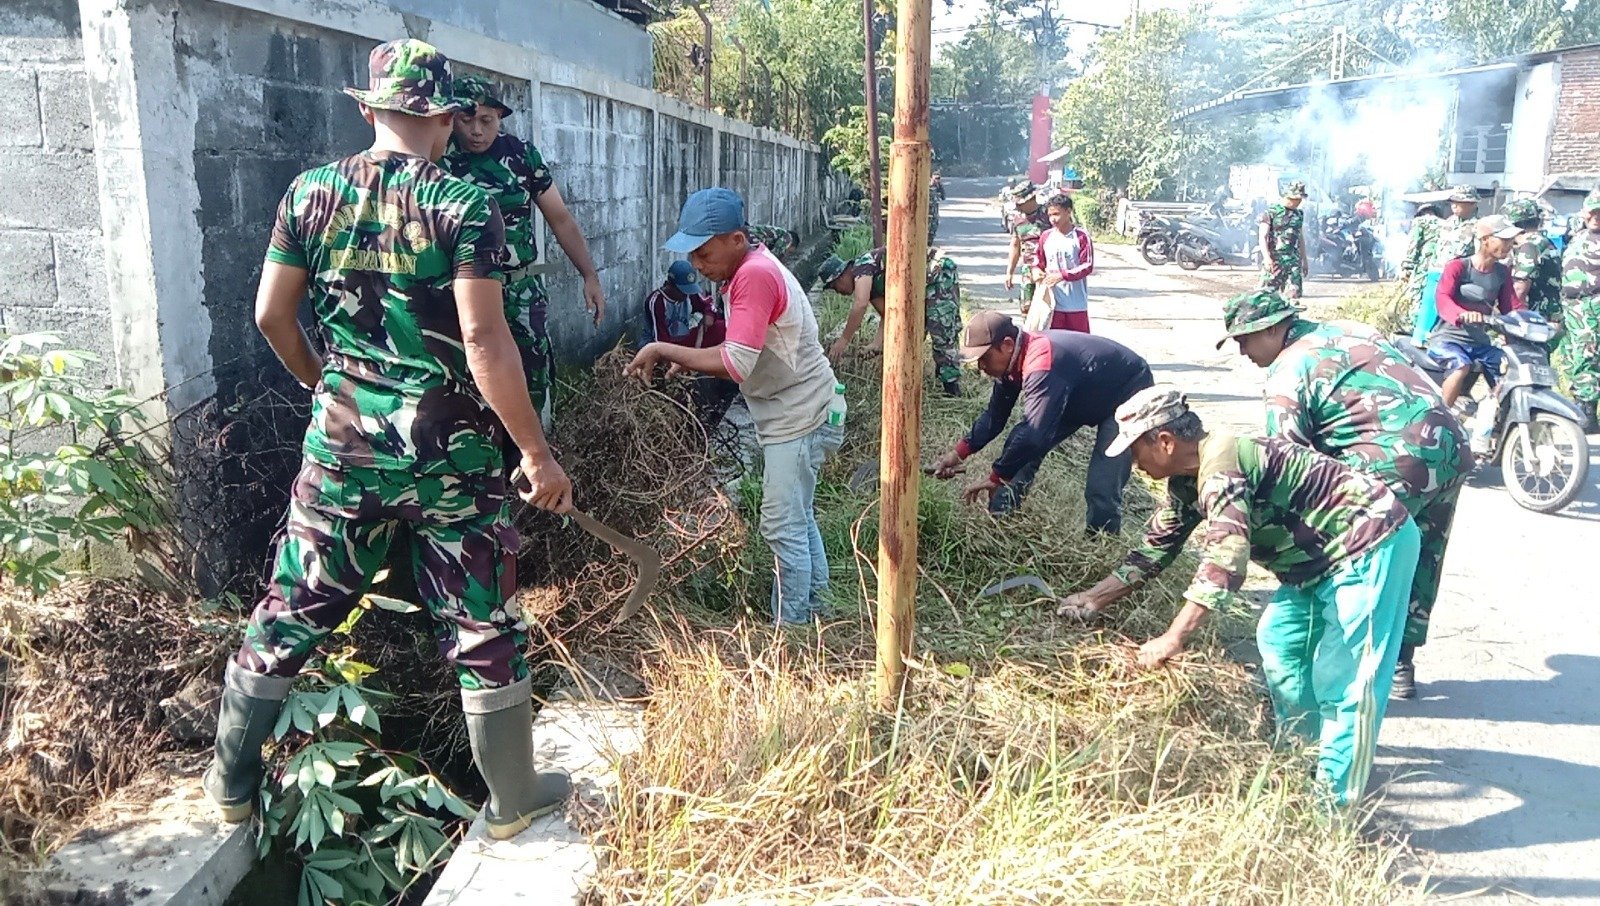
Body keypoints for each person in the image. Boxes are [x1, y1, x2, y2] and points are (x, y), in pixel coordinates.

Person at [203, 40, 574, 842]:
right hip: (453, 457)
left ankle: (230, 782)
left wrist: (323, 386)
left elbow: (271, 316)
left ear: (367, 109)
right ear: (442, 118)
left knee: (294, 604)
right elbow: (485, 342)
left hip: (343, 449)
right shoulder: (470, 206)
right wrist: (537, 455)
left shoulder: (310, 193)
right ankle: (512, 800)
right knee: (482, 622)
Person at [1059, 386, 1419, 807]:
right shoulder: (1185, 482)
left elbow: (1227, 561)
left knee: (1347, 683)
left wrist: (1173, 638)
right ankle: (1298, 763)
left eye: (1135, 451)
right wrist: (1095, 598)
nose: (1134, 463)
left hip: (1370, 542)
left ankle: (1332, 808)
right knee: (1280, 642)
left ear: (1164, 441)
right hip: (1314, 561)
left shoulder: (1220, 470)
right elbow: (1155, 548)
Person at [1216, 290, 1470, 700]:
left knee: (1353, 552)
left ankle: (1339, 669)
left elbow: (1289, 464)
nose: (1243, 351)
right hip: (1450, 448)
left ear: (1274, 329)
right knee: (1423, 552)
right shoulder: (1356, 329)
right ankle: (1403, 661)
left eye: (1245, 339)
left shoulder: (1288, 370)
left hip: (1391, 461)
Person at [625, 188, 842, 625]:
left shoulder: (752, 276)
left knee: (782, 526)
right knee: (799, 517)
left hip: (799, 416)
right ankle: (819, 608)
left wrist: (666, 349)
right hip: (808, 407)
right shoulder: (746, 270)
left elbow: (736, 361)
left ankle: (792, 630)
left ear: (737, 239)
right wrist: (691, 360)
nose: (698, 266)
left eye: (704, 253)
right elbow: (742, 347)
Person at [440, 75, 606, 424]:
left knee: (531, 377)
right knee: (467, 383)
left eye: (486, 120)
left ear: (500, 117)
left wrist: (589, 274)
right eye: (466, 120)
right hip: (461, 292)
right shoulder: (439, 160)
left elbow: (560, 218)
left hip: (520, 290)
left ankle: (529, 463)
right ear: (451, 117)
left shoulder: (522, 155)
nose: (476, 131)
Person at [928, 311, 1152, 530]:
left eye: (984, 358)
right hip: (1079, 393)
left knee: (1102, 484)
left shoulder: (1041, 361)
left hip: (1127, 392)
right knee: (1020, 452)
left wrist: (997, 476)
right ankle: (999, 523)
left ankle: (1103, 543)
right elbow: (994, 418)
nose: (981, 367)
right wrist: (957, 454)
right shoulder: (1013, 361)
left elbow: (1034, 434)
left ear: (1006, 345)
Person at [818, 245, 964, 397]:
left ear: (841, 275)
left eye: (835, 287)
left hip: (936, 273)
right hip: (921, 283)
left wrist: (843, 340)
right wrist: (875, 345)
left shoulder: (862, 266)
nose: (838, 292)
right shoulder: (871, 284)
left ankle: (952, 389)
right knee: (912, 334)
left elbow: (860, 304)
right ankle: (917, 385)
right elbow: (887, 315)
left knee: (941, 329)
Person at [1428, 215, 1526, 407]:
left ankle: (1505, 421)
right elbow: (1442, 299)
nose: (1508, 245)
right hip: (1448, 340)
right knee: (1461, 366)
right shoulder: (1458, 267)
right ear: (1485, 240)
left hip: (1480, 343)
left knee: (1508, 366)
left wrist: (1534, 321)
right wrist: (1461, 314)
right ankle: (1442, 419)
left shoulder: (1501, 272)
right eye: (1503, 240)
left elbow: (1512, 306)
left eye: (1510, 241)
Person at [641, 260, 738, 427]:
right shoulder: (656, 302)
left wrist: (709, 315)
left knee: (723, 327)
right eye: (682, 291)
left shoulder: (689, 294)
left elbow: (708, 304)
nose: (686, 295)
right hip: (661, 345)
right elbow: (661, 340)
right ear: (670, 285)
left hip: (684, 340)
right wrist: (679, 360)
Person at [1405, 186, 1480, 342]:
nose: (1454, 205)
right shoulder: (1447, 223)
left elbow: (1477, 256)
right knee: (1426, 309)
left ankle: (1436, 340)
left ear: (1472, 204)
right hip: (1436, 271)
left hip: (1458, 277)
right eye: (1453, 201)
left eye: (1460, 202)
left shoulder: (1478, 227)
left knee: (1445, 312)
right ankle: (1419, 339)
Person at [1561, 188, 1600, 433]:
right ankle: (1578, 403)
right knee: (1572, 356)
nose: (1596, 217)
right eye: (1592, 212)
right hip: (1572, 306)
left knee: (1588, 355)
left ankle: (1587, 413)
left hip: (1592, 307)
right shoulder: (1578, 236)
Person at [1031, 193, 1094, 333]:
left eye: (1056, 214)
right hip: (1052, 305)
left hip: (1076, 305)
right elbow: (1038, 260)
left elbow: (1087, 265)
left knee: (1079, 344)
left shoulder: (1081, 236)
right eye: (1050, 215)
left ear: (1068, 211)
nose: (1053, 219)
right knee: (1054, 344)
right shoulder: (1046, 236)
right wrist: (1036, 271)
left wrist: (1062, 275)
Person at [1505, 198, 1563, 324]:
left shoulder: (1529, 246)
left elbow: (1519, 288)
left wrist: (1505, 316)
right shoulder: (1544, 242)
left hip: (1536, 316)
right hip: (1552, 312)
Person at [1258, 180, 1308, 300]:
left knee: (1293, 297)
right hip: (1275, 260)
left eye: (1300, 199)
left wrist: (1304, 260)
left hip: (1293, 261)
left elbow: (1300, 238)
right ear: (1288, 196)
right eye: (1296, 199)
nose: (1298, 202)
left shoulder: (1299, 214)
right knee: (1266, 296)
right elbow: (1263, 237)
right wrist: (1267, 258)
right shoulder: (1271, 212)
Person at [1004, 186, 1051, 308]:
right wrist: (1009, 273)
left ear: (1032, 199)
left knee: (1048, 308)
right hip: (1028, 270)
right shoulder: (1018, 220)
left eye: (1021, 204)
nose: (1018, 207)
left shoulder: (1049, 214)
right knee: (1027, 307)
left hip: (1049, 269)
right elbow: (1015, 245)